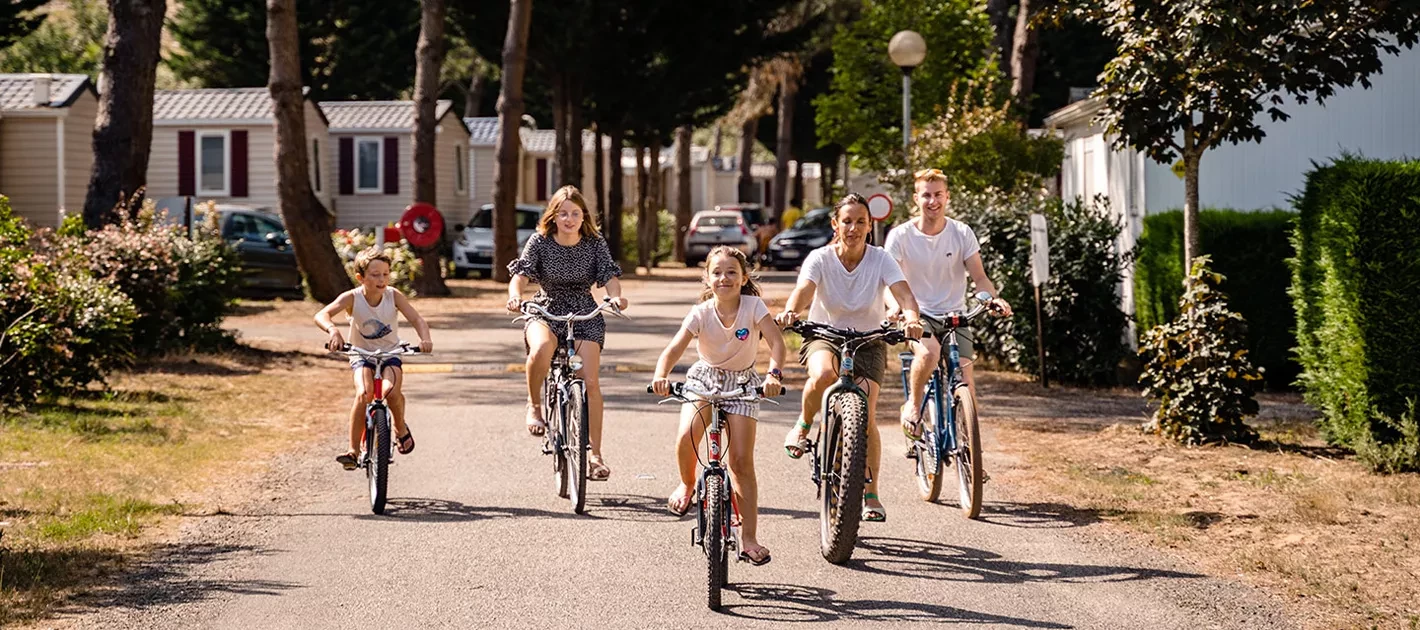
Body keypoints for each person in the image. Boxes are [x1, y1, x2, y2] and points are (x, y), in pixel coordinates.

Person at [775, 193, 924, 523]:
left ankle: (870, 493)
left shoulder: (881, 258)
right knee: (824, 376)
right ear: (835, 225)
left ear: (870, 226)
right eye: (847, 221)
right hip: (825, 336)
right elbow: (803, 291)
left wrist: (912, 316)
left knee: (867, 414)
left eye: (861, 221)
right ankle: (803, 425)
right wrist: (790, 312)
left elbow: (902, 293)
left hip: (869, 341)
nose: (853, 227)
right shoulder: (820, 258)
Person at [650, 246, 786, 566]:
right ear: (707, 278)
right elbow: (674, 348)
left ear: (743, 278)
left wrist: (774, 375)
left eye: (731, 272)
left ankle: (749, 537)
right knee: (686, 437)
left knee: (740, 461)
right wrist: (661, 374)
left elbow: (777, 343)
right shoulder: (701, 312)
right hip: (704, 379)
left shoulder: (753, 307)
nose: (723, 278)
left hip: (742, 383)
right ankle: (686, 484)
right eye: (717, 272)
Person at [507, 185, 628, 481]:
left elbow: (609, 277)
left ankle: (595, 455)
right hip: (546, 308)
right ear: (554, 215)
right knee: (542, 349)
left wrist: (616, 297)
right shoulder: (540, 241)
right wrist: (514, 296)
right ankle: (534, 405)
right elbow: (520, 276)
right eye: (563, 213)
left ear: (583, 215)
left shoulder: (594, 243)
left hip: (584, 310)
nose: (569, 219)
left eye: (575, 213)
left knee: (591, 381)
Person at [885, 168, 1013, 443]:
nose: (933, 201)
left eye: (938, 195)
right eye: (927, 195)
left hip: (956, 317)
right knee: (929, 354)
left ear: (947, 197)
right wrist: (897, 308)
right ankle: (914, 407)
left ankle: (969, 451)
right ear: (916, 198)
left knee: (967, 381)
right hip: (919, 316)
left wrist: (991, 299)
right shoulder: (900, 236)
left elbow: (980, 277)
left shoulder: (961, 232)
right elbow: (889, 282)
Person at [314, 248, 434, 470]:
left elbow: (416, 318)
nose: (382, 280)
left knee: (390, 391)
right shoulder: (352, 297)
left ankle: (400, 428)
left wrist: (424, 339)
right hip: (361, 354)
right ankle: (353, 451)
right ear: (360, 277)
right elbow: (321, 314)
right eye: (375, 274)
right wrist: (333, 331)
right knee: (364, 393)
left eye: (385, 274)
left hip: (390, 353)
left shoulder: (393, 295)